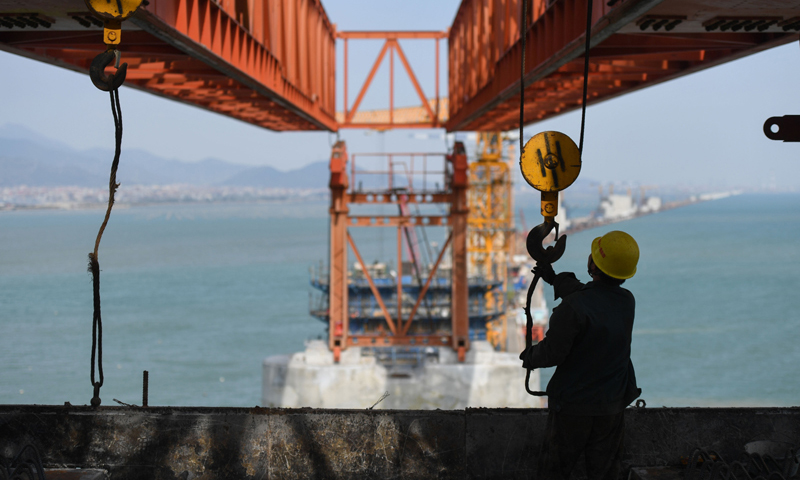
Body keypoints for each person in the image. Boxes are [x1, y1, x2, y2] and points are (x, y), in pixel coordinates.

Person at [519, 230, 642, 480]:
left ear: (593, 263)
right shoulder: (627, 301)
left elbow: (552, 352)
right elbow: (592, 298)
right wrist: (554, 280)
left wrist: (530, 357)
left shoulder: (573, 308)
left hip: (574, 408)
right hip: (611, 405)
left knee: (555, 471)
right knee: (605, 472)